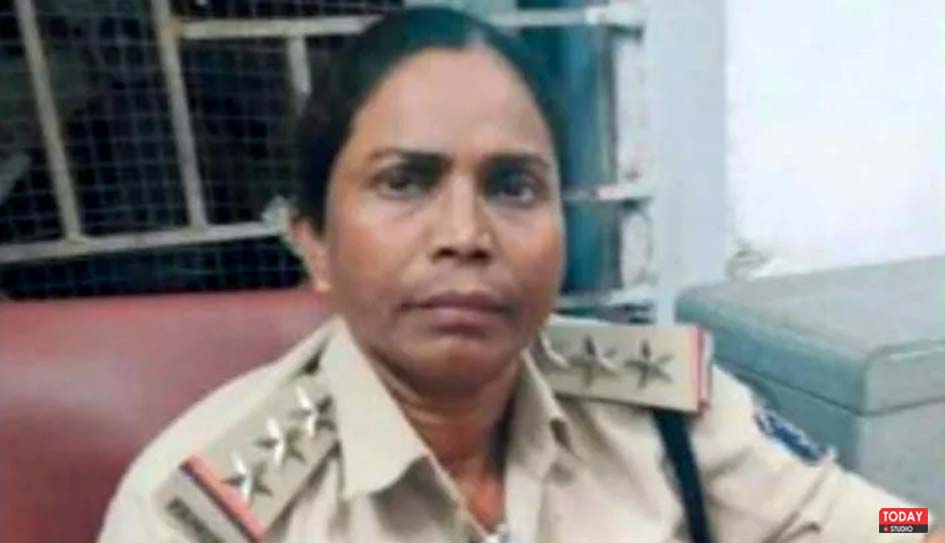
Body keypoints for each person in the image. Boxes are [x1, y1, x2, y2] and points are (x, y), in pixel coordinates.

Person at [98, 7, 942, 543]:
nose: (465, 235)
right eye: (404, 181)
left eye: (513, 186)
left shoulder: (660, 407)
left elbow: (876, 519)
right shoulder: (201, 513)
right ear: (314, 241)